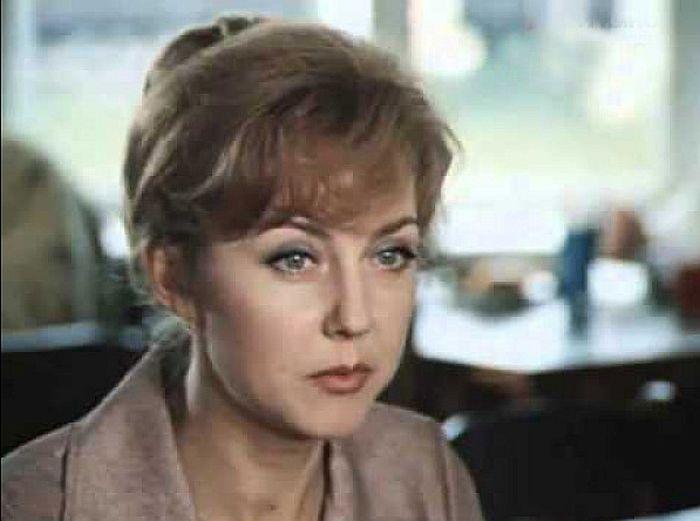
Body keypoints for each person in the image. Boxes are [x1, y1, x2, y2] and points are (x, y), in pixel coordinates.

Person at [1, 16, 484, 520]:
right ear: (173, 276)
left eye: (390, 255)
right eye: (294, 258)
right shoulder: (31, 506)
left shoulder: (424, 473)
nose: (354, 318)